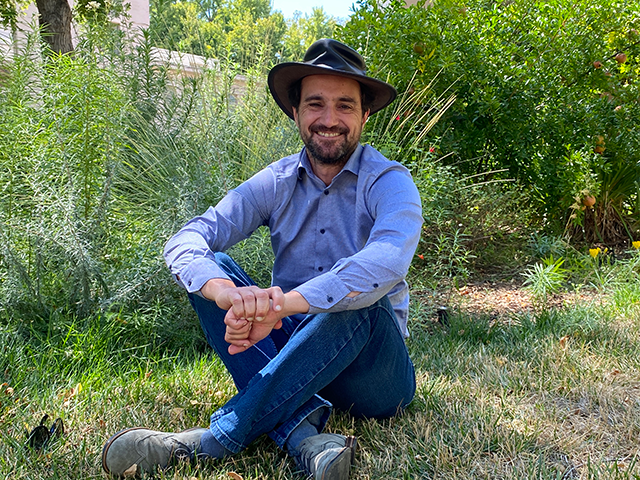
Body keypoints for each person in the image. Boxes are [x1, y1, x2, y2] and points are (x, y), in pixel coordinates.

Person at [101, 38, 423, 480]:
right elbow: (187, 240)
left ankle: (214, 440)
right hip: (293, 350)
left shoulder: (390, 181)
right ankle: (306, 437)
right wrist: (227, 294)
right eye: (315, 104)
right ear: (295, 112)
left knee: (359, 299)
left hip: (373, 375)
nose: (329, 120)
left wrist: (279, 307)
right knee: (212, 269)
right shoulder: (275, 181)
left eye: (345, 106)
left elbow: (386, 262)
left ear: (365, 115)